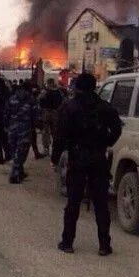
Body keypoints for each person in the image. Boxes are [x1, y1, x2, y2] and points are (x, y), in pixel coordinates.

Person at [52, 73, 122, 256]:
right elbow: (117, 130)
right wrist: (105, 142)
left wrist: (56, 158)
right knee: (101, 203)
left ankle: (67, 242)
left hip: (78, 158)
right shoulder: (104, 107)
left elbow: (59, 134)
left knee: (73, 202)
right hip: (98, 158)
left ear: (78, 87)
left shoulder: (69, 107)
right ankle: (104, 245)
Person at [4, 83, 35, 183]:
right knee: (21, 152)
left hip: (13, 128)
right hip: (25, 129)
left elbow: (6, 113)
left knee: (15, 151)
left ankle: (19, 171)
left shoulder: (12, 99)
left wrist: (6, 125)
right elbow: (35, 115)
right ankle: (15, 174)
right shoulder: (31, 100)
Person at [39, 78, 64, 157]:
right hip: (55, 113)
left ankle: (46, 149)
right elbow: (62, 102)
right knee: (55, 132)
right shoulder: (59, 92)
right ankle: (55, 149)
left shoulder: (45, 92)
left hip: (47, 112)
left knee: (46, 132)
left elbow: (40, 101)